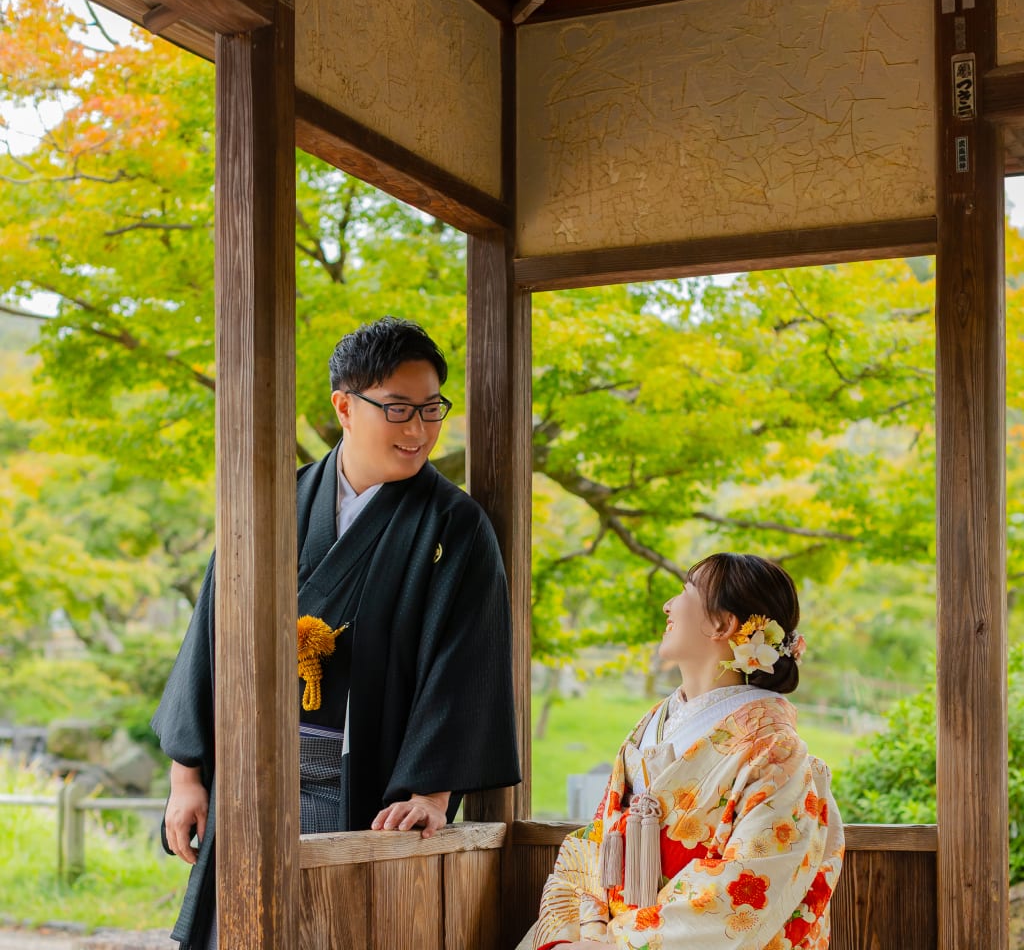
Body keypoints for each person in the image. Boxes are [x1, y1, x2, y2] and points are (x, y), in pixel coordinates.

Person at [152, 316, 521, 949]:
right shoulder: (270, 502)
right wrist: (187, 778)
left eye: (432, 410)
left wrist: (431, 791)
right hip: (248, 782)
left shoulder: (453, 526)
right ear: (344, 407)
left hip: (364, 786)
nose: (419, 430)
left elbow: (465, 665)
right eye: (399, 410)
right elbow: (211, 632)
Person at [528, 553, 844, 950]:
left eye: (684, 591)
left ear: (723, 624)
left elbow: (738, 896)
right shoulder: (650, 728)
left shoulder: (775, 754)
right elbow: (594, 846)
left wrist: (610, 946)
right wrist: (580, 935)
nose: (668, 605)